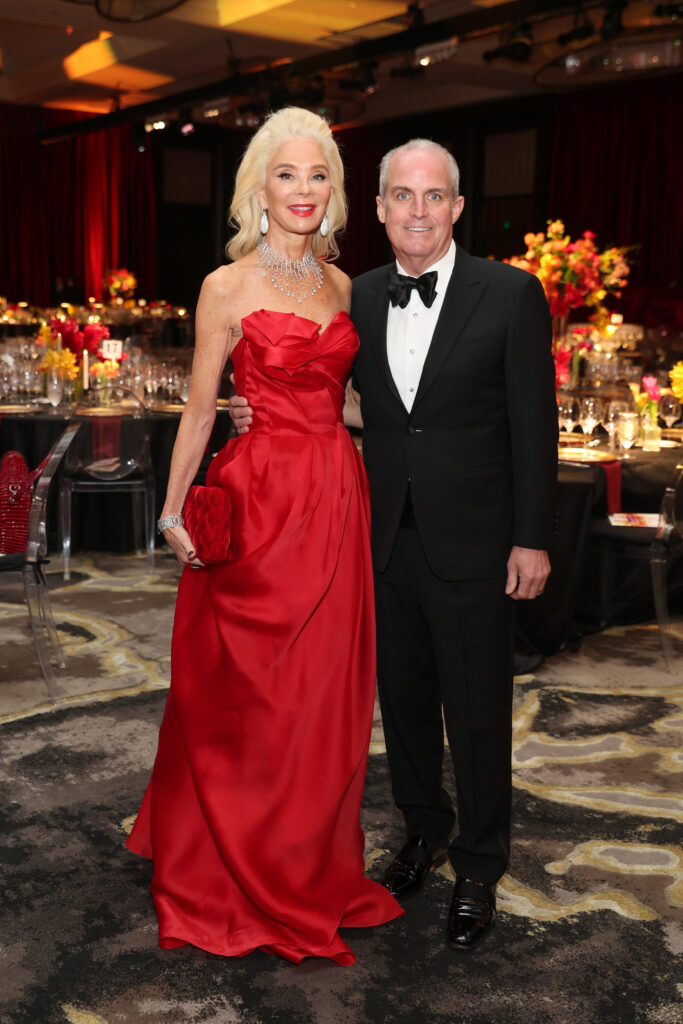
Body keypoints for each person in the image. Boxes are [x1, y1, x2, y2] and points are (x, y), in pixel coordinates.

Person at [231, 138, 558, 952]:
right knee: (404, 706)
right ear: (376, 209)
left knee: (477, 712)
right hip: (374, 537)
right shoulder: (359, 294)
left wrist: (532, 540)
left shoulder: (511, 294)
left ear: (455, 207)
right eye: (401, 196)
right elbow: (348, 402)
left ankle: (479, 867)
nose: (418, 210)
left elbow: (534, 430)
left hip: (478, 544)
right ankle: (422, 835)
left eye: (434, 196)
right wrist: (257, 413)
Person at [126, 107, 403, 966]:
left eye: (318, 175)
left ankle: (305, 864)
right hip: (259, 502)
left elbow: (351, 406)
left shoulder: (344, 285)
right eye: (287, 175)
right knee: (246, 689)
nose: (304, 190)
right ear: (259, 188)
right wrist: (172, 512)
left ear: (334, 190)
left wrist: (420, 420)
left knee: (324, 695)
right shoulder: (225, 285)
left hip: (334, 494)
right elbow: (201, 409)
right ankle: (230, 865)